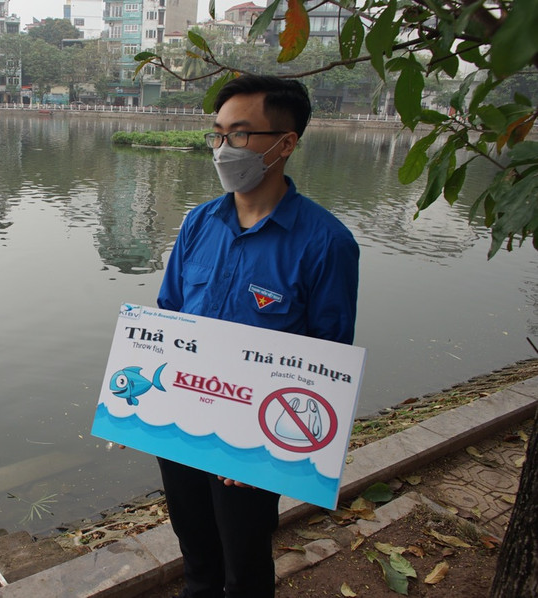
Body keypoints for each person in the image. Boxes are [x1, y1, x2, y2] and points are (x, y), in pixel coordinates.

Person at [156, 75, 360, 597]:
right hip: (181, 426)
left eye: (241, 134)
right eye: (218, 134)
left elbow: (325, 362)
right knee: (195, 555)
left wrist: (269, 452)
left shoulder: (326, 243)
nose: (225, 149)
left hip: (251, 442)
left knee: (244, 568)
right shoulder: (199, 223)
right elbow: (166, 318)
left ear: (286, 143)